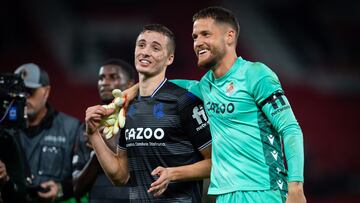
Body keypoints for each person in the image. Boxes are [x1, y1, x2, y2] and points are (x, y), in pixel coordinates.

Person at [169, 6, 306, 203]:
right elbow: (175, 86)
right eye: (195, 36)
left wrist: (296, 187)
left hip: (264, 191)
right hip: (224, 195)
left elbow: (290, 129)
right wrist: (136, 88)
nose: (198, 42)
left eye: (205, 34)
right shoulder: (206, 85)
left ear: (229, 36)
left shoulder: (255, 74)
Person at [85, 24, 212, 202]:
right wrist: (93, 134)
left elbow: (215, 163)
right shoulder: (127, 106)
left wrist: (173, 174)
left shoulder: (185, 101)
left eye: (155, 48)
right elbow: (120, 176)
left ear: (170, 58)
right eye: (141, 45)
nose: (145, 52)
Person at [0, 63, 84, 203]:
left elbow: (83, 177)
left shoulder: (72, 128)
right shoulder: (4, 131)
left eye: (29, 92)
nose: (23, 98)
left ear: (46, 92)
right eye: (17, 92)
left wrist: (61, 189)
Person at [73, 59, 136, 203]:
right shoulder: (89, 127)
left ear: (130, 85)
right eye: (101, 78)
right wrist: (98, 153)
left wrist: (110, 145)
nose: (105, 83)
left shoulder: (140, 121)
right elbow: (76, 188)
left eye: (113, 77)